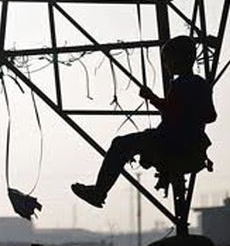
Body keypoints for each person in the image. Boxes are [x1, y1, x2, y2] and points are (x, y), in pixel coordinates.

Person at [72, 35, 215, 208]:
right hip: (190, 148)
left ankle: (99, 192)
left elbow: (172, 112)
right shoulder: (200, 84)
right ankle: (99, 191)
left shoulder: (182, 84)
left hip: (173, 144)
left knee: (120, 145)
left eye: (168, 60)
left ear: (177, 60)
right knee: (125, 145)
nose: (166, 65)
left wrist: (151, 97)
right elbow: (210, 116)